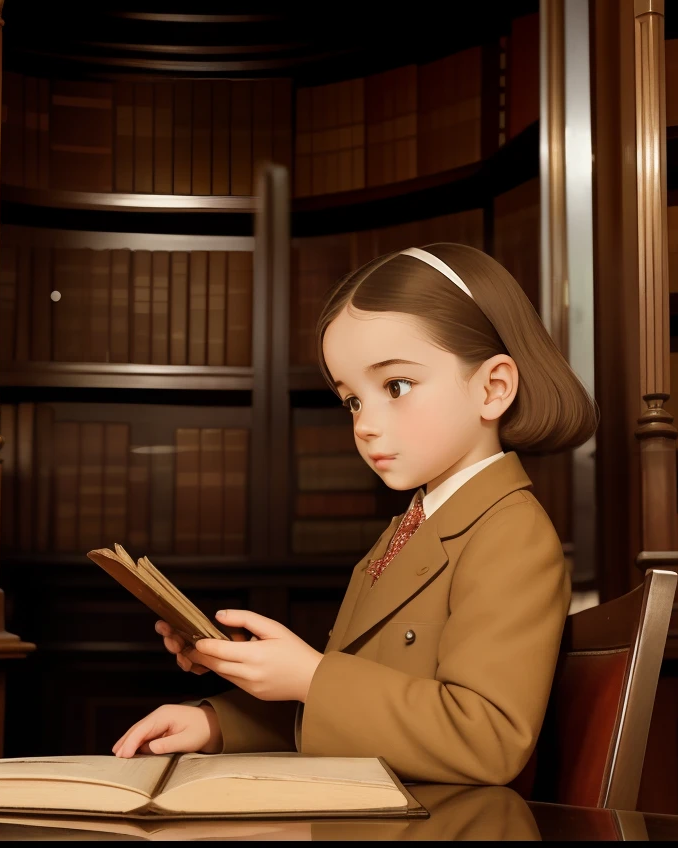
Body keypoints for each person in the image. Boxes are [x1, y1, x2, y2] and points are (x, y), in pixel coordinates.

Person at [111, 243, 597, 785]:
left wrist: (312, 676)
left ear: (493, 387)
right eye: (352, 400)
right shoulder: (404, 534)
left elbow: (486, 739)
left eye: (396, 386)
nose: (364, 424)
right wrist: (218, 720)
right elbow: (366, 711)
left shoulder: (510, 532)